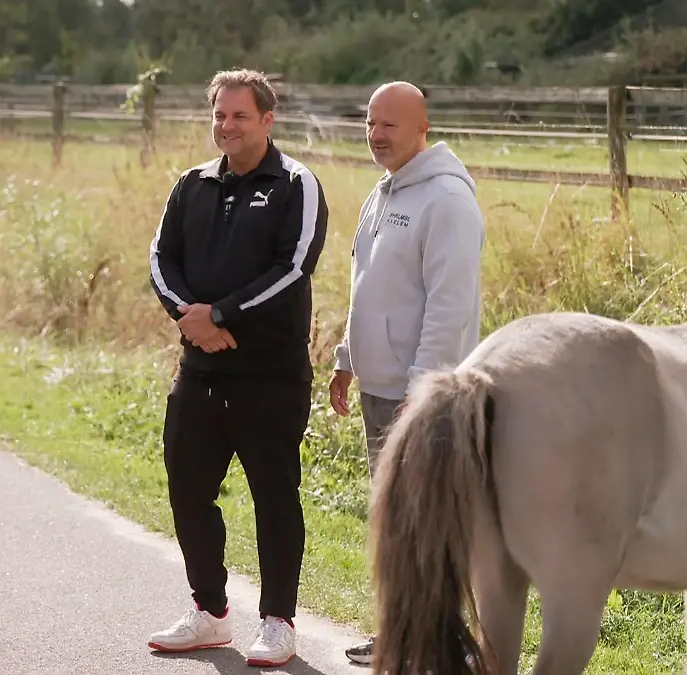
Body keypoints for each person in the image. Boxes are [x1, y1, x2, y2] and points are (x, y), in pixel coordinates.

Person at [145, 68, 329, 668]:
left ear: (267, 120)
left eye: (239, 116)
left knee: (275, 497)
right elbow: (160, 257)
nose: (226, 126)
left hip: (270, 377)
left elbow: (294, 265)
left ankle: (278, 621)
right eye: (219, 115)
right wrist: (186, 316)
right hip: (197, 372)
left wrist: (220, 312)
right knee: (187, 488)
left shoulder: (297, 183)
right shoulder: (191, 184)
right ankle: (211, 614)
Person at [328, 81, 486, 665]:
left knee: (427, 525)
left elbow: (450, 305)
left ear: (423, 127)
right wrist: (348, 357)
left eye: (390, 124)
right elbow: (369, 285)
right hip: (378, 387)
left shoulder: (446, 201)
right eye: (371, 123)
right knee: (397, 525)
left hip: (420, 398)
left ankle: (441, 646)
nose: (377, 135)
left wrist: (421, 394)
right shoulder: (384, 193)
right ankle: (403, 636)